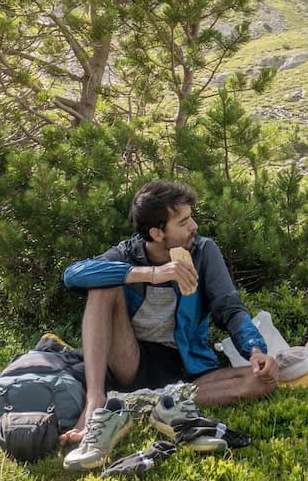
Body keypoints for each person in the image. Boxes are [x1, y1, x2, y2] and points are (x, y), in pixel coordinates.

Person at [61, 180, 278, 443]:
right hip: (133, 361)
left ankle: (151, 404)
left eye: (191, 218)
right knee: (102, 284)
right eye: (184, 222)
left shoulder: (203, 251)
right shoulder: (127, 254)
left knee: (262, 381)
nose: (194, 226)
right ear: (157, 233)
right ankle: (96, 399)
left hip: (188, 370)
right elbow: (73, 275)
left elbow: (229, 307)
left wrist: (255, 349)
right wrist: (153, 274)